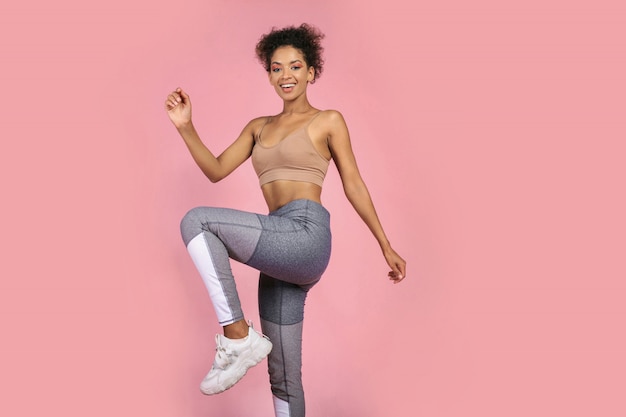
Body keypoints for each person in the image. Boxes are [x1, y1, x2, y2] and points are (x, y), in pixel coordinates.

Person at [164, 23, 406, 417]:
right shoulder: (258, 128)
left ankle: (238, 336)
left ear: (311, 72)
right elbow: (215, 170)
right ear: (270, 76)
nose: (286, 75)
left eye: (295, 67)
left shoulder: (329, 119)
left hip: (305, 235)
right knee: (284, 376)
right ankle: (246, 346)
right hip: (277, 246)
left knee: (198, 221)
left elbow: (354, 185)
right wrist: (186, 126)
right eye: (277, 69)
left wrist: (385, 245)